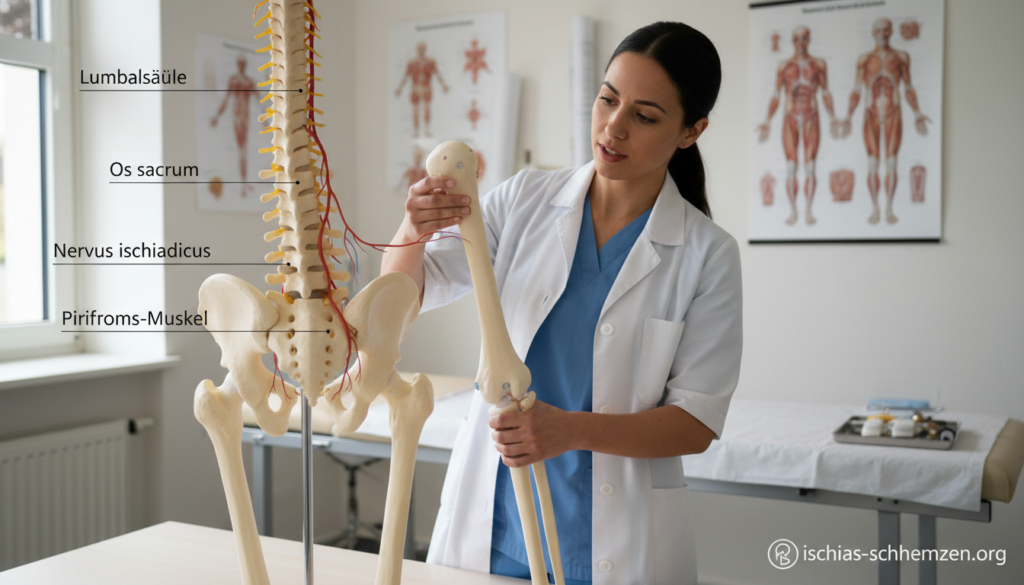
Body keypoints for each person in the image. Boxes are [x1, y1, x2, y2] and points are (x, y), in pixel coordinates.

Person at [382, 22, 742, 585]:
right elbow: (403, 299)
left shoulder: (707, 254)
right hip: (493, 528)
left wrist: (568, 431)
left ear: (690, 131)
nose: (613, 127)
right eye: (607, 99)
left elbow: (694, 423)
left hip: (614, 545)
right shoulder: (523, 201)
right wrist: (412, 229)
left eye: (645, 116)